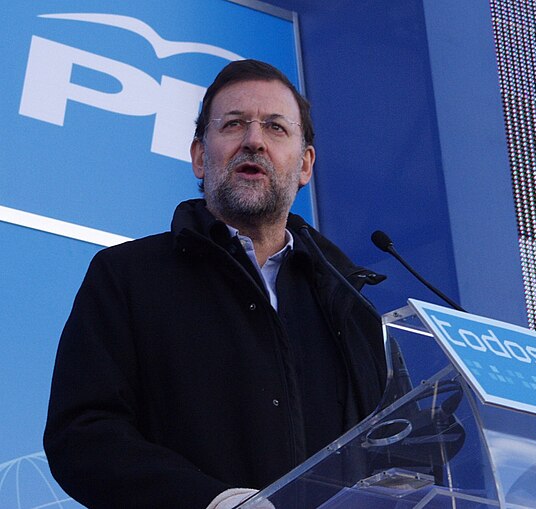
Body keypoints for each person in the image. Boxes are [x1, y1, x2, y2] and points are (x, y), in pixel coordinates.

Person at [44, 59, 388, 508]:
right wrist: (209, 501)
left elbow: (384, 454)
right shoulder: (127, 276)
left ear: (305, 166)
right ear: (200, 157)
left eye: (276, 128)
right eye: (233, 125)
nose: (253, 141)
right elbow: (82, 435)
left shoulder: (348, 305)